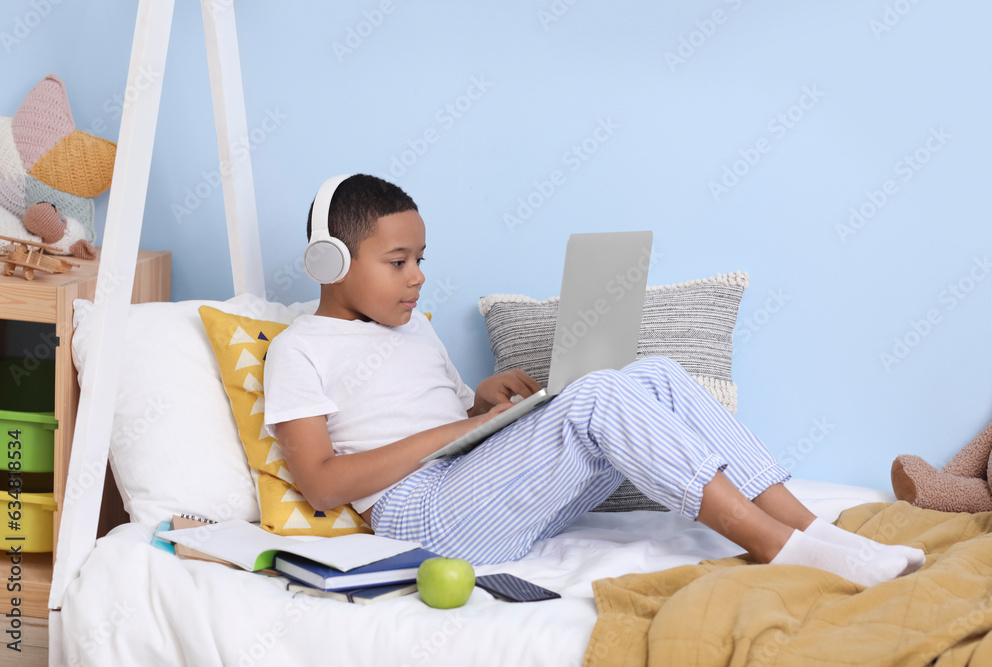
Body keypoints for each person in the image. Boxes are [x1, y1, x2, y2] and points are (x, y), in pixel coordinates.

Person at [264, 174, 925, 587]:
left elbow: (437, 417)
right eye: (398, 260)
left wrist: (481, 402)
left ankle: (818, 533)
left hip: (470, 483)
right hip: (418, 516)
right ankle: (781, 550)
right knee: (600, 394)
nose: (417, 276)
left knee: (657, 374)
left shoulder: (414, 329)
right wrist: (462, 427)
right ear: (331, 261)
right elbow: (321, 482)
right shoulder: (301, 348)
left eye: (420, 259)